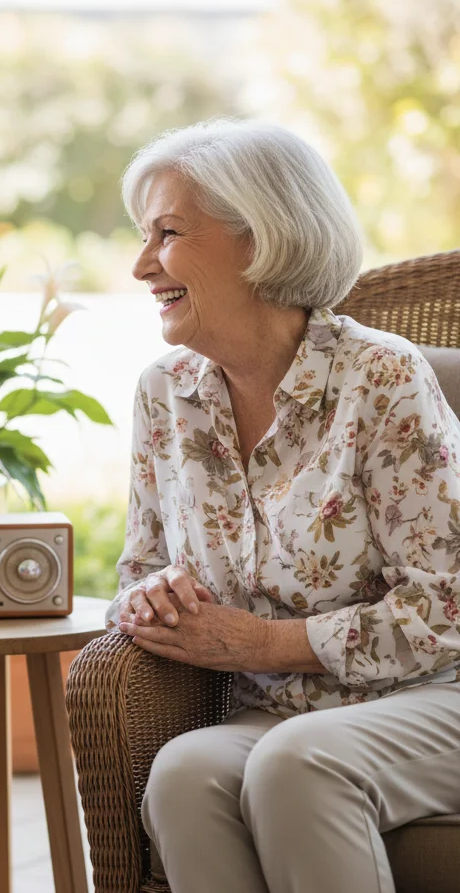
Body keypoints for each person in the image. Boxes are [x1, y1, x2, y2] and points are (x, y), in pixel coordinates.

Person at [105, 119, 460, 892]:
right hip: (282, 714)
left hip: (437, 695)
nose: (141, 265)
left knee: (299, 767)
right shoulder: (166, 394)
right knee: (184, 772)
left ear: (261, 239)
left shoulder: (384, 380)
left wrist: (264, 646)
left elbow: (446, 610)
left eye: (167, 233)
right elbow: (137, 568)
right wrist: (149, 600)